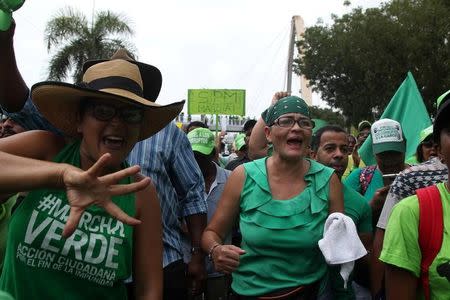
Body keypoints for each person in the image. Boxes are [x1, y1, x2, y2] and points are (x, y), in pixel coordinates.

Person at [1, 21, 207, 300]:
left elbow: (148, 290)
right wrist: (61, 174)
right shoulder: (45, 148)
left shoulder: (142, 193)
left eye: (130, 114)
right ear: (79, 120)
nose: (117, 123)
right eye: (103, 110)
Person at [202, 95, 344, 299]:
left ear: (309, 133)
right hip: (247, 294)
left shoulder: (328, 180)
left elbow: (340, 250)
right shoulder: (243, 175)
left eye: (304, 122)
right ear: (268, 133)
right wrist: (216, 250)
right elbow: (211, 232)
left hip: (309, 293)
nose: (296, 128)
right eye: (286, 121)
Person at [371, 91, 450, 299]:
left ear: (404, 147)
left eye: (394, 152)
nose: (389, 160)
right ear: (438, 150)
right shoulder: (409, 209)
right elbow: (380, 237)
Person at [310, 125, 372, 299]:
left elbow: (365, 257)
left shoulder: (360, 204)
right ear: (313, 154)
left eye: (344, 150)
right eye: (330, 148)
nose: (339, 154)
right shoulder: (294, 193)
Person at [184, 128, 231, 300]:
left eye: (201, 156)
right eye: (192, 155)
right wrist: (199, 238)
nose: (196, 161)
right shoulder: (178, 179)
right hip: (188, 264)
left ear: (213, 153)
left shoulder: (231, 180)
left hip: (219, 268)